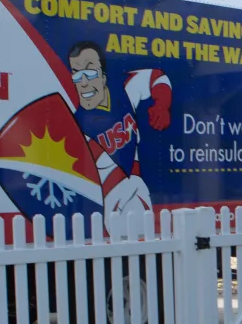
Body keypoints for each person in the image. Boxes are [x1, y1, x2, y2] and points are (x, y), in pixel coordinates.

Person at [66, 40, 174, 216]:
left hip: (137, 189)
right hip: (108, 202)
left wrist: (162, 103)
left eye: (90, 72)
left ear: (103, 76)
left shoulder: (124, 89)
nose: (83, 82)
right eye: (77, 74)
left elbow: (157, 77)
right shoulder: (77, 126)